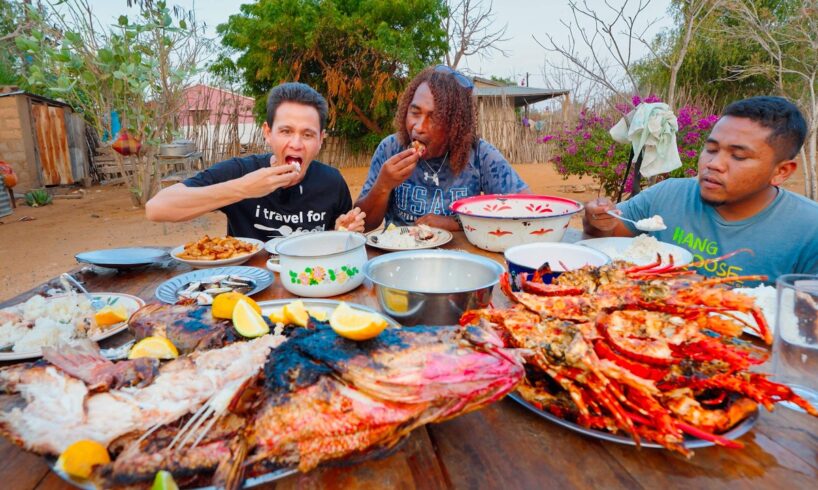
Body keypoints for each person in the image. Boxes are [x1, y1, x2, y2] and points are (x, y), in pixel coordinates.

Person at [584, 96, 818, 281]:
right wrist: (596, 221)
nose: (713, 164)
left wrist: (702, 292)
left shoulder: (809, 230)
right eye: (712, 149)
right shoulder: (667, 195)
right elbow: (602, 239)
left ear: (781, 171)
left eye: (738, 156)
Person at [145, 83, 365, 241]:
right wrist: (244, 188)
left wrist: (343, 234)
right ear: (268, 133)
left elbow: (339, 241)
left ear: (320, 140)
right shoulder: (240, 171)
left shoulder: (332, 182)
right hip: (248, 289)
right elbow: (157, 208)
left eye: (308, 135)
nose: (296, 144)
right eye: (286, 131)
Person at [355, 65, 530, 232]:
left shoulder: (479, 155)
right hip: (400, 258)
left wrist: (457, 223)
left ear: (455, 126)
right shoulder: (391, 148)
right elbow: (364, 224)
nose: (418, 127)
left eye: (434, 118)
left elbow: (526, 209)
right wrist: (382, 186)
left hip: (460, 258)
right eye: (415, 113)